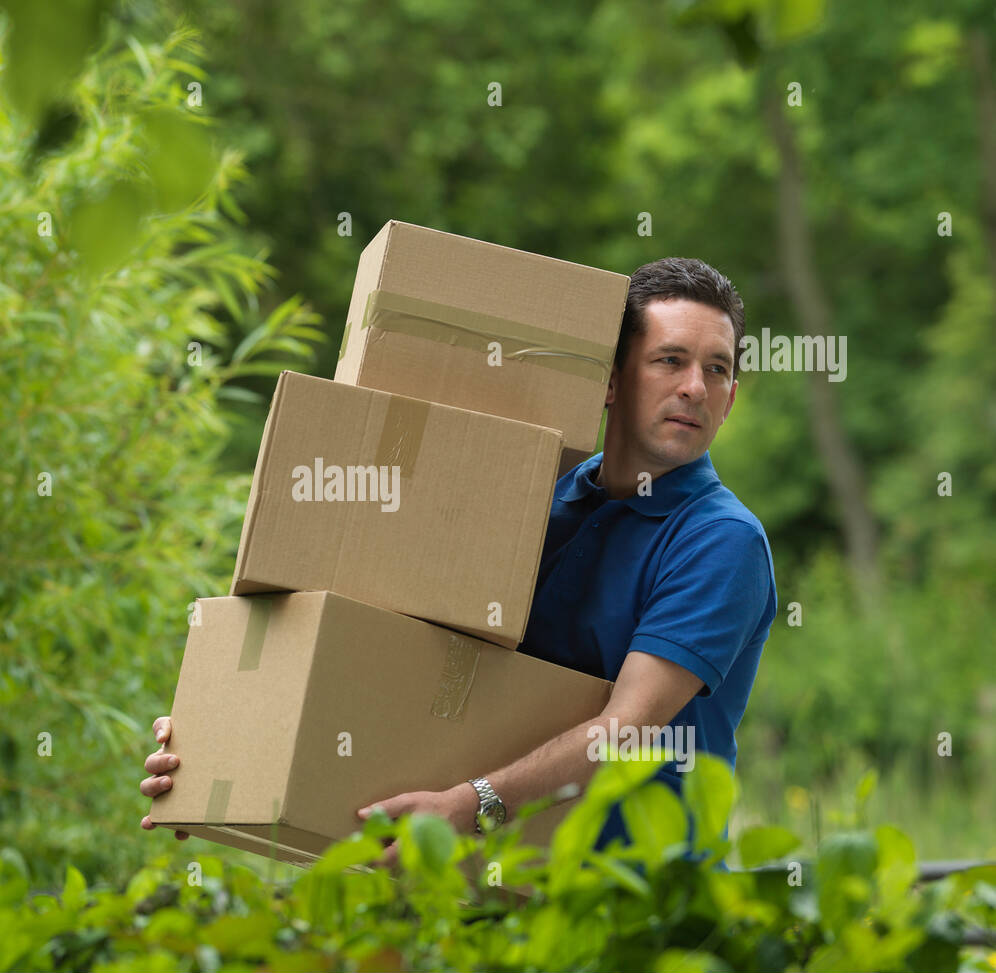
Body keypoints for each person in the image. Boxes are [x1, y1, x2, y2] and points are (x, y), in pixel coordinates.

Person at [141, 257, 778, 861]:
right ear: (609, 380)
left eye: (717, 370)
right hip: (483, 892)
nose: (696, 387)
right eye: (670, 361)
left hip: (633, 910)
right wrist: (225, 739)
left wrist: (470, 807)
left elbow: (626, 728)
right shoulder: (536, 493)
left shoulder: (721, 541)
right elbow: (388, 647)